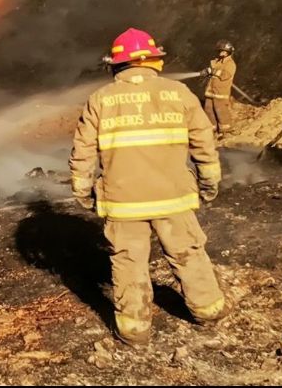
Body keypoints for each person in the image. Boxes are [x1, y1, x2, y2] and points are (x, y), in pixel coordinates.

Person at [70, 28, 229, 345]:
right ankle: (208, 311)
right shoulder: (179, 93)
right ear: (155, 60)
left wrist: (84, 193)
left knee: (129, 261)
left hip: (123, 202)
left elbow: (82, 153)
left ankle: (134, 330)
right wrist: (209, 183)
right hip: (173, 196)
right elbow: (204, 143)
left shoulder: (100, 100)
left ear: (115, 64)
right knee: (188, 253)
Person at [201, 39, 237, 137]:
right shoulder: (216, 62)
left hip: (221, 92)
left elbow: (225, 75)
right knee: (208, 109)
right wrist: (207, 72)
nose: (221, 53)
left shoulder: (230, 64)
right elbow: (213, 73)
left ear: (228, 52)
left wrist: (212, 71)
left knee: (220, 110)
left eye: (223, 51)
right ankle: (212, 129)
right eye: (220, 51)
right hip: (211, 91)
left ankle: (226, 130)